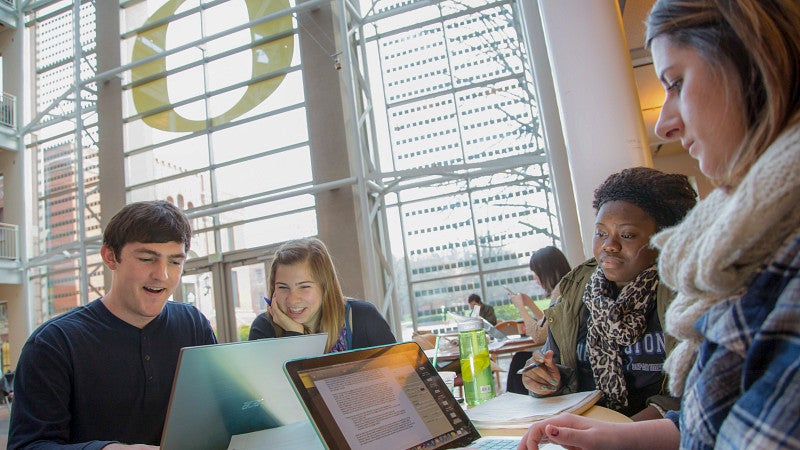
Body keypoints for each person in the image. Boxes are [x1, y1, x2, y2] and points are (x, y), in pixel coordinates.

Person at [518, 0, 800, 448]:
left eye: (676, 82)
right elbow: (708, 419)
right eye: (601, 233)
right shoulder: (582, 292)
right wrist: (607, 432)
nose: (666, 122)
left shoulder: (760, 261)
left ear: (753, 68)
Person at [8, 201, 217, 449]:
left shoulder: (193, 324)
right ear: (110, 257)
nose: (162, 274)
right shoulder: (54, 343)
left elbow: (219, 409)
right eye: (147, 258)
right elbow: (29, 445)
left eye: (174, 262)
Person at [521, 167, 697, 419]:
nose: (608, 245)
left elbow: (699, 391)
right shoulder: (575, 291)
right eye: (601, 233)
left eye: (626, 235)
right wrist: (546, 378)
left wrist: (620, 434)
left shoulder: (687, 292)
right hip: (586, 434)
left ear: (664, 238)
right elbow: (556, 367)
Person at [249, 237, 396, 351]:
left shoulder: (363, 317)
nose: (293, 299)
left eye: (304, 286)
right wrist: (295, 334)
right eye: (283, 287)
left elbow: (403, 382)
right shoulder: (264, 329)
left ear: (325, 287)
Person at [505, 246, 572, 394]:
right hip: (565, 353)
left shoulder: (560, 290)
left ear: (546, 271)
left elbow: (539, 335)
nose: (535, 278)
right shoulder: (567, 286)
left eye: (535, 273)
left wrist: (521, 308)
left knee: (519, 361)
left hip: (562, 359)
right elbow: (548, 324)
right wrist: (529, 303)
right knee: (521, 358)